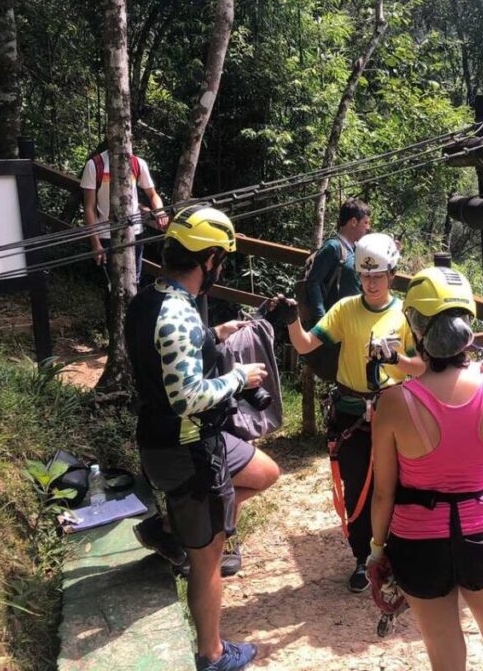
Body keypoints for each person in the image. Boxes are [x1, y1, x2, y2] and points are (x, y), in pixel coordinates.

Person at [126, 205, 280, 671]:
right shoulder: (177, 314)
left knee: (264, 471)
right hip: (188, 449)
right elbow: (187, 396)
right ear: (210, 259)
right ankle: (213, 655)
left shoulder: (152, 298)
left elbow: (170, 350)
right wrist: (240, 377)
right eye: (221, 260)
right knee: (208, 558)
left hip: (174, 442)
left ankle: (171, 528)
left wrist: (213, 333)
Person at [369, 266, 483, 671]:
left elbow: (384, 491)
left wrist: (375, 550)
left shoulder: (394, 404)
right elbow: (455, 395)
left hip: (419, 539)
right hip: (482, 532)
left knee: (446, 656)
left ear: (417, 329)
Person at [287, 232, 425, 592]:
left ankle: (397, 553)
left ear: (391, 275)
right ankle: (364, 558)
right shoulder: (346, 309)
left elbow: (422, 367)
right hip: (351, 413)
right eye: (365, 277)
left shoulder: (404, 314)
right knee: (357, 489)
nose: (372, 284)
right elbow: (305, 344)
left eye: (378, 276)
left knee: (397, 486)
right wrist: (291, 319)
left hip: (393, 412)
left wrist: (395, 358)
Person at [80, 144, 168, 285]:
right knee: (112, 285)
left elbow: (153, 195)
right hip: (106, 235)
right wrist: (95, 243)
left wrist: (160, 212)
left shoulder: (137, 163)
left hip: (135, 233)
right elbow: (89, 207)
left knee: (134, 282)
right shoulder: (94, 165)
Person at [305, 197, 371, 323]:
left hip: (351, 322)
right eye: (366, 222)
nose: (368, 227)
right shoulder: (333, 247)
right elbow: (313, 282)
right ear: (353, 222)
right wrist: (322, 319)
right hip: (333, 323)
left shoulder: (356, 249)